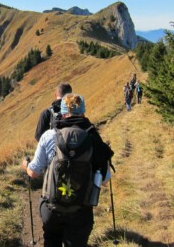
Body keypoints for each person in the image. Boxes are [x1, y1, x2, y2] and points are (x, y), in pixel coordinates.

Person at [23, 93, 113, 247]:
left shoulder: (49, 136)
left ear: (62, 113)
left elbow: (34, 172)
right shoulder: (93, 138)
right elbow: (104, 181)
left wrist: (25, 164)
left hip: (52, 210)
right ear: (83, 113)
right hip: (81, 211)